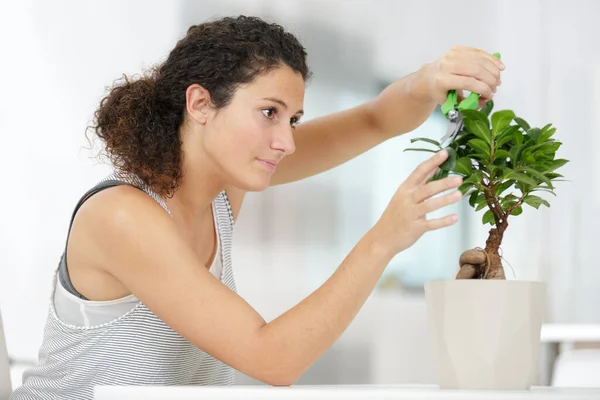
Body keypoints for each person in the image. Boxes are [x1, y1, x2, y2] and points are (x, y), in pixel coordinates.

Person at [11, 15, 503, 400]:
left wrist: (429, 79)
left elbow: (374, 120)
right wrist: (383, 240)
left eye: (293, 119)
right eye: (269, 113)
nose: (286, 142)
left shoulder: (225, 186)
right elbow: (272, 359)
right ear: (201, 104)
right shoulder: (122, 215)